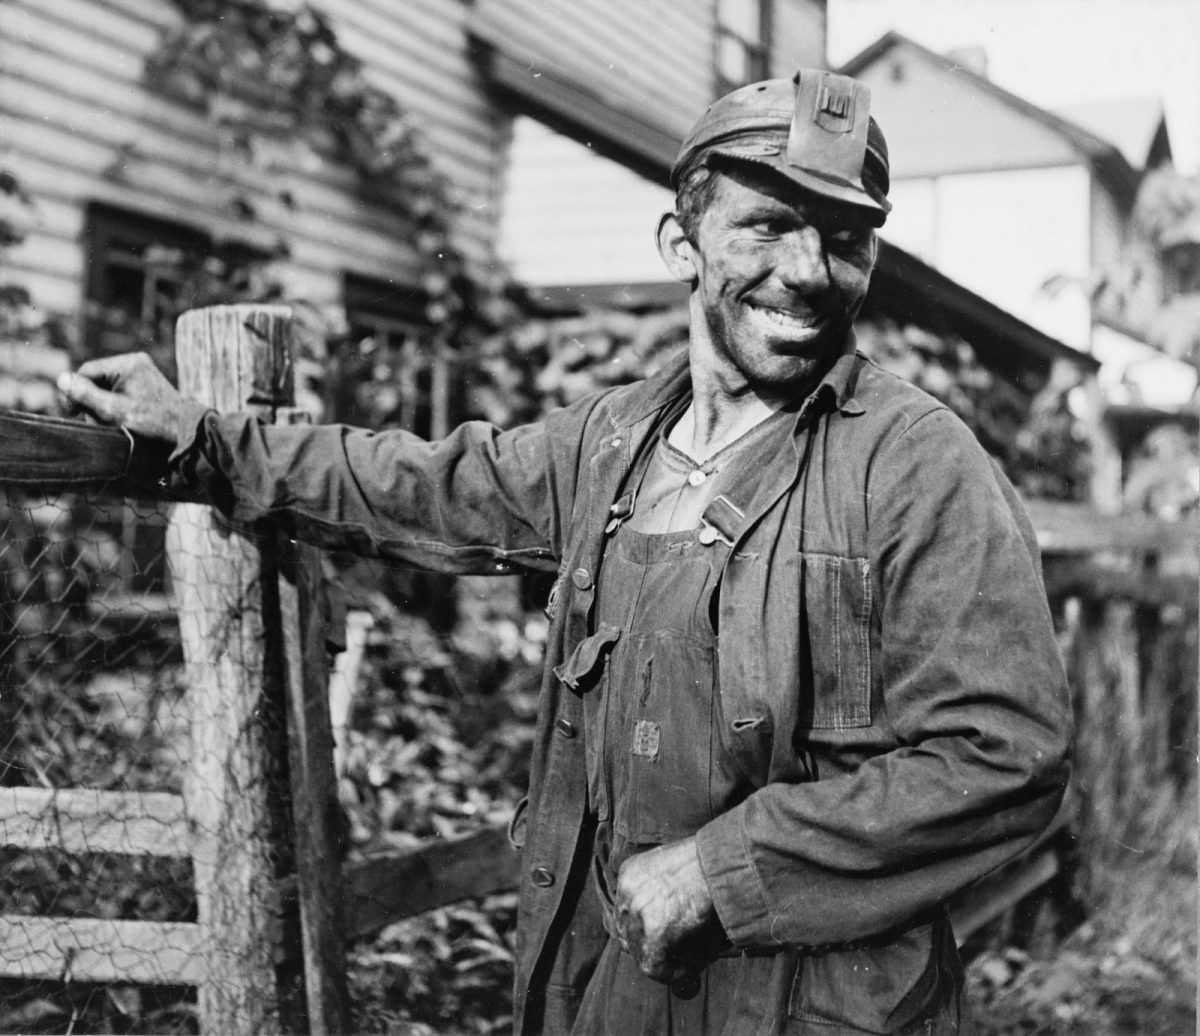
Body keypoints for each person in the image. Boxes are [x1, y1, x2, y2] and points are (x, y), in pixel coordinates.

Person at [60, 68, 1071, 1036]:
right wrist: (203, 436)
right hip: (615, 983)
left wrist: (719, 872)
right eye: (768, 225)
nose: (810, 272)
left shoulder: (915, 462)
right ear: (682, 241)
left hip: (815, 1001)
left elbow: (1004, 758)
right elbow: (417, 481)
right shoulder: (612, 443)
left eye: (846, 240)